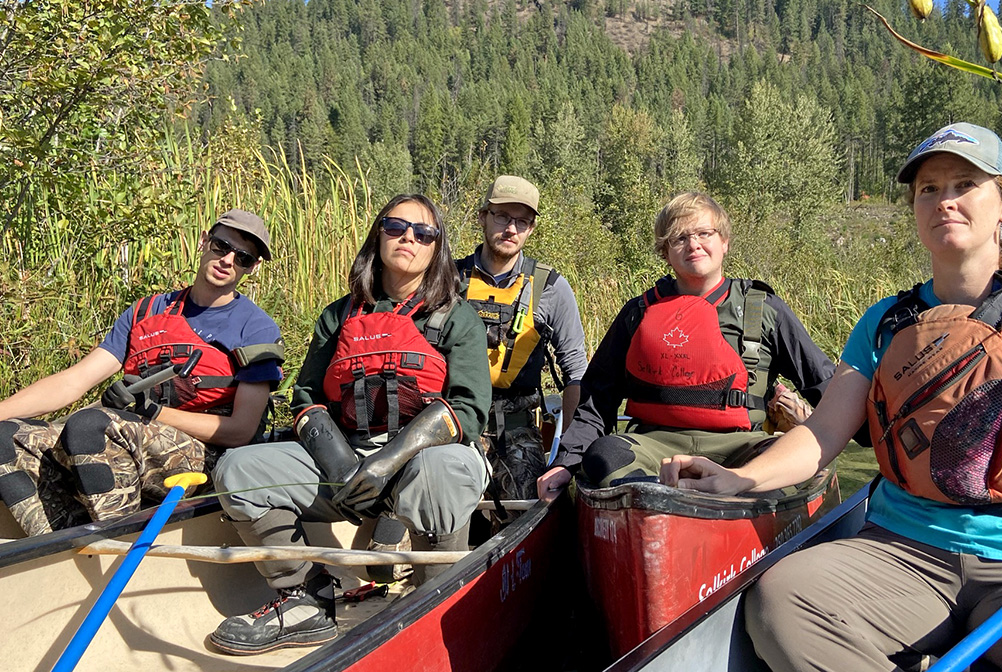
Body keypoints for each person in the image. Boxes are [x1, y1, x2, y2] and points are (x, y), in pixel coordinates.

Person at [661, 121, 1002, 671]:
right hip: (903, 554)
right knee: (783, 602)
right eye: (929, 189)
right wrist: (739, 479)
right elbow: (822, 434)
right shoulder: (885, 323)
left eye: (965, 184)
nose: (945, 200)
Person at [208, 193, 490, 656]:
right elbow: (306, 396)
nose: (408, 239)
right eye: (396, 227)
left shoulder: (457, 318)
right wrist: (339, 461)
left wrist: (387, 461)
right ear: (378, 234)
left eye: (424, 233)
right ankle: (304, 601)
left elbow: (469, 410)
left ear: (436, 248)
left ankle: (436, 598)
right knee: (239, 471)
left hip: (425, 460)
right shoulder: (338, 316)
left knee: (441, 472)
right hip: (346, 458)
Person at [537, 191, 835, 502]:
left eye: (705, 233)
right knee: (603, 455)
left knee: (787, 463)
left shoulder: (764, 309)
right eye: (679, 238)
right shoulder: (637, 313)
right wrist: (565, 463)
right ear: (665, 252)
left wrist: (873, 436)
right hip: (654, 450)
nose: (693, 244)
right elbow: (597, 399)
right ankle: (656, 504)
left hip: (742, 449)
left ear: (724, 242)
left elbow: (824, 383)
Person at [0, 209, 283, 536]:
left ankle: (119, 539)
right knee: (8, 437)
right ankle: (57, 545)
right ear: (204, 241)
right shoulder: (146, 311)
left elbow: (240, 431)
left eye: (243, 258)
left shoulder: (257, 328)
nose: (228, 260)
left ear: (253, 267)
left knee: (91, 426)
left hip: (207, 453)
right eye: (221, 246)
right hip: (132, 430)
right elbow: (74, 381)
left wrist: (153, 412)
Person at [457, 175, 588, 503]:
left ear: (531, 228)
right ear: (483, 217)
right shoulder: (446, 279)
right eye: (502, 216)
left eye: (522, 221)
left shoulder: (551, 287)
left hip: (516, 425)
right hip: (454, 418)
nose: (511, 229)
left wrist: (567, 456)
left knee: (530, 505)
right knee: (436, 499)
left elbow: (576, 373)